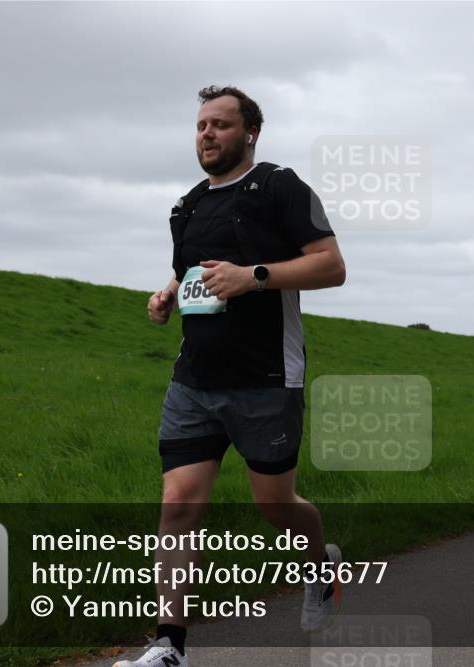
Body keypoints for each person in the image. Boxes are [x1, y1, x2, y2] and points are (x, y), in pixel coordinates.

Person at [119, 86, 347, 667]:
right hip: (194, 379)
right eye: (200, 125)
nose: (207, 134)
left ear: (250, 133)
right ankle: (170, 646)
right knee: (177, 506)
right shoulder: (188, 205)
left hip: (267, 377)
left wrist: (257, 277)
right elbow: (189, 270)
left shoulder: (279, 187)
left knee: (276, 504)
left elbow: (331, 266)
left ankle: (321, 565)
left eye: (220, 124)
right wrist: (168, 292)